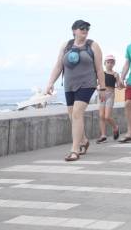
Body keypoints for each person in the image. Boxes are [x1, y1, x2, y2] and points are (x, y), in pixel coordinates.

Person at [46, 20, 106, 161]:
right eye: (82, 28)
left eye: (87, 28)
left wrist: (102, 88)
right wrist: (50, 83)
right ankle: (84, 140)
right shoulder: (66, 46)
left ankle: (75, 150)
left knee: (77, 113)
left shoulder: (93, 45)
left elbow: (99, 68)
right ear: (74, 30)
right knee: (72, 116)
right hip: (69, 85)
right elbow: (58, 66)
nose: (85, 30)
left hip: (87, 84)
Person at [96, 54, 123, 143]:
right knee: (101, 116)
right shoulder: (101, 73)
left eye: (111, 62)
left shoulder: (115, 74)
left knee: (107, 116)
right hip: (102, 94)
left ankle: (116, 127)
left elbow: (119, 87)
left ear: (114, 64)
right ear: (105, 63)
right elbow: (97, 84)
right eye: (108, 62)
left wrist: (119, 80)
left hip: (110, 94)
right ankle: (103, 135)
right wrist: (98, 90)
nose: (110, 64)